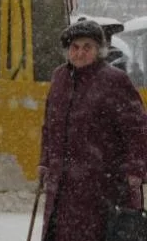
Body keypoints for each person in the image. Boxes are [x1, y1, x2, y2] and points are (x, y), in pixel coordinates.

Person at [38, 20, 147, 241]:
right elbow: (50, 126)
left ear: (99, 51)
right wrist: (45, 160)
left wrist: (135, 169)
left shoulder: (115, 81)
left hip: (102, 183)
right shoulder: (60, 78)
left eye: (87, 47)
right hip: (61, 184)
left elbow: (137, 128)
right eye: (74, 47)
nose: (80, 53)